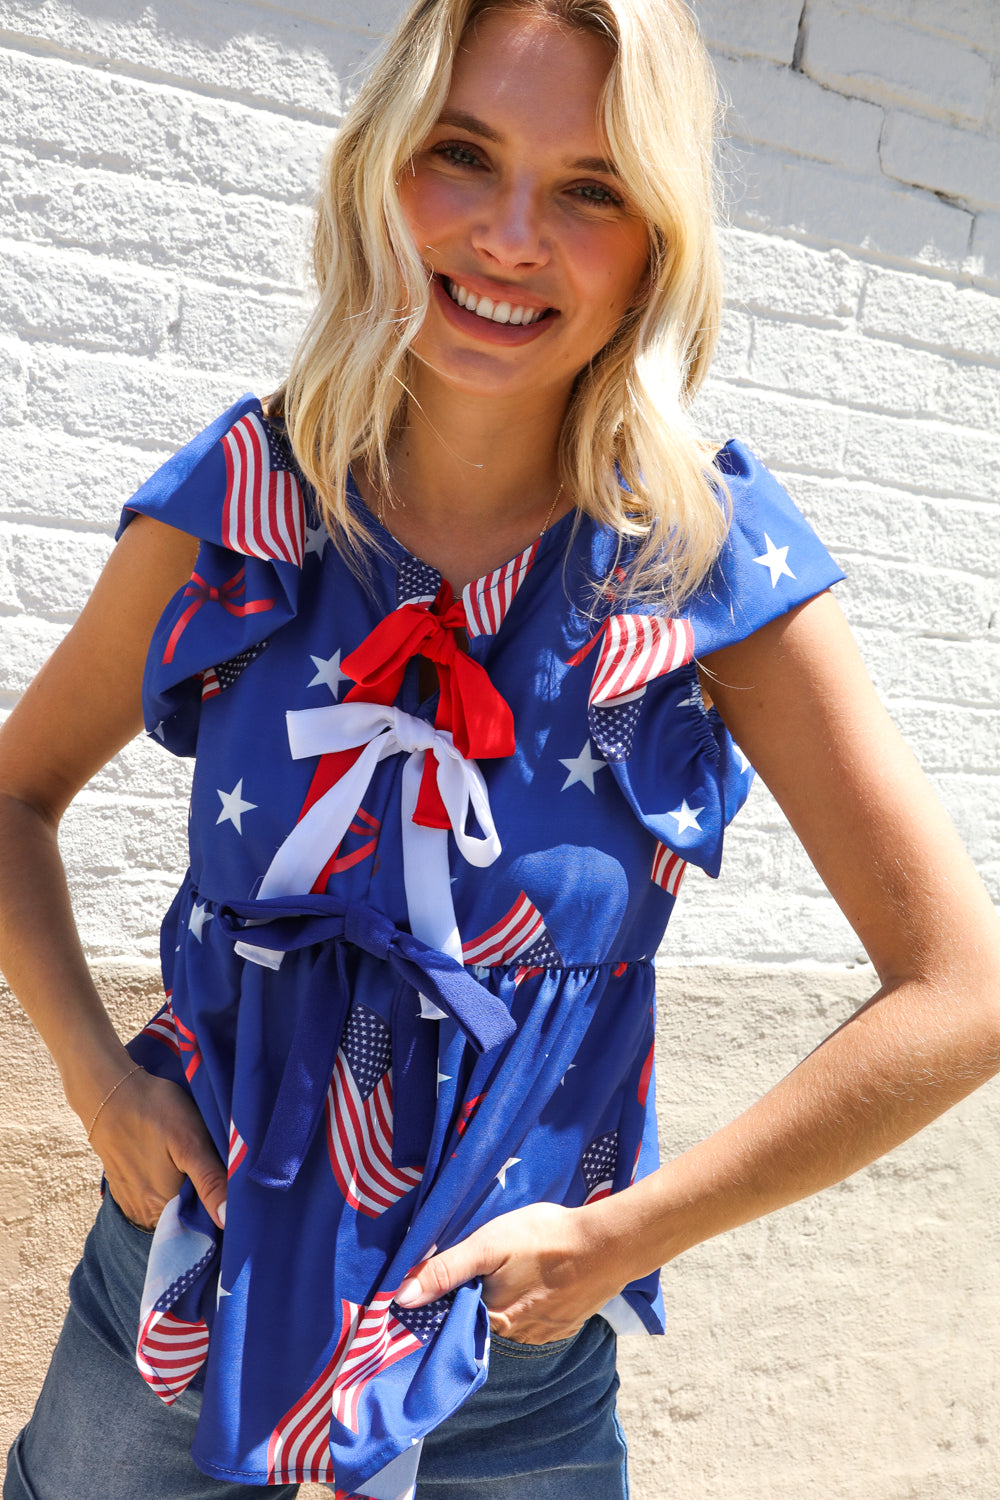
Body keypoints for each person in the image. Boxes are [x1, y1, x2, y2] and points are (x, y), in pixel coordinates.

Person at [2, 0, 999, 1495]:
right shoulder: (245, 500)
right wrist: (96, 1080)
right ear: (380, 170)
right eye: (462, 154)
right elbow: (13, 795)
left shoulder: (702, 562)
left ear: (658, 244)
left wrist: (623, 1237)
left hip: (505, 1376)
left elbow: (963, 993)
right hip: (179, 1295)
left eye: (591, 187)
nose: (512, 237)